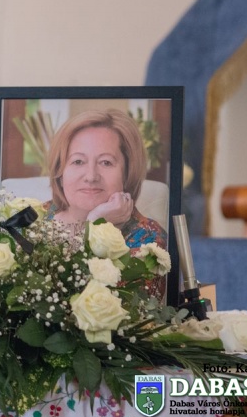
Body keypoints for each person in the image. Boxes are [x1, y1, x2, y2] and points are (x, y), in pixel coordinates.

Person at [43, 108, 167, 297]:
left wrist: (97, 225)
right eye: (78, 161)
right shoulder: (34, 218)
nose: (91, 176)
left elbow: (112, 309)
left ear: (127, 173)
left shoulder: (148, 241)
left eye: (106, 162)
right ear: (60, 171)